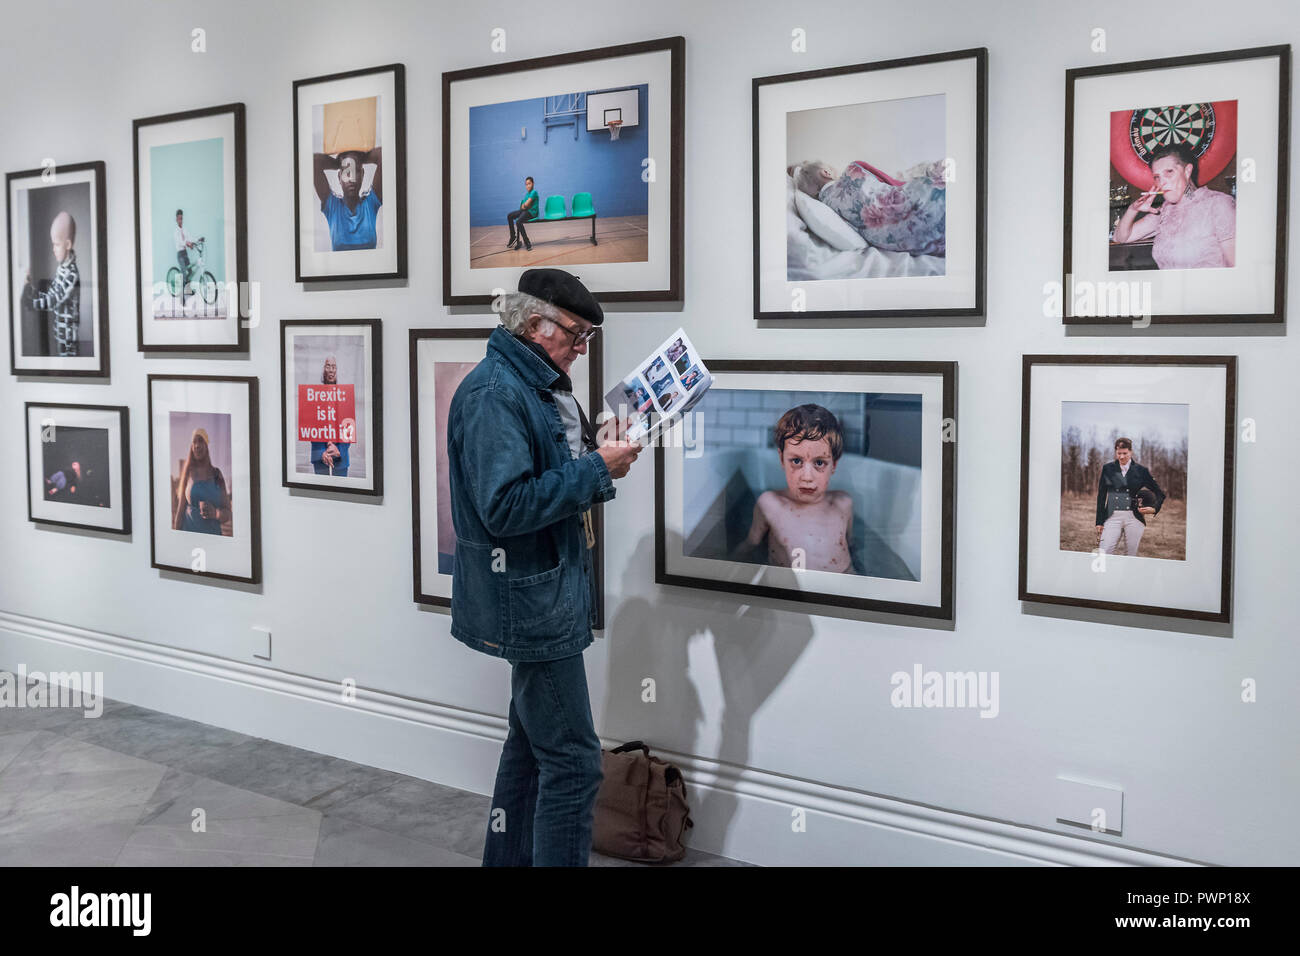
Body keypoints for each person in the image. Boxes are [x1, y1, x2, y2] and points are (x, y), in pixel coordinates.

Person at [447, 267, 642, 867]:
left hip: (547, 590)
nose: (582, 349)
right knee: (577, 765)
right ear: (535, 324)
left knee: (530, 749)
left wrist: (594, 447)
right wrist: (598, 470)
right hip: (530, 601)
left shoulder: (538, 383)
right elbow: (505, 507)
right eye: (576, 335)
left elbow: (545, 465)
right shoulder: (494, 395)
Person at [733, 404, 856, 573]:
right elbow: (751, 544)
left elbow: (851, 547)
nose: (807, 477)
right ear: (782, 459)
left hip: (841, 589)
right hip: (790, 591)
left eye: (819, 463)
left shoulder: (844, 504)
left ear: (833, 465)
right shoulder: (769, 505)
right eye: (796, 461)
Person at [1111, 142, 1236, 269]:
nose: (1162, 182)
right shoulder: (1165, 210)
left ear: (1187, 171)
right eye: (1157, 177)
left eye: (1169, 172)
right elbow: (1120, 237)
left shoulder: (1218, 204)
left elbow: (1235, 267)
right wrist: (1133, 209)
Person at [790, 157, 947, 256]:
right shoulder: (853, 169)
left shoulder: (827, 207)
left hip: (909, 241)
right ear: (826, 172)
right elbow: (893, 183)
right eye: (831, 167)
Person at [22, 210, 80, 356]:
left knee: (69, 366)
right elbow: (52, 292)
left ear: (67, 244)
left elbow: (53, 300)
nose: (53, 249)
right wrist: (32, 290)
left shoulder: (71, 274)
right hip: (60, 332)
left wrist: (31, 303)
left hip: (68, 337)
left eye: (56, 244)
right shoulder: (62, 267)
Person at [1095, 437, 1166, 556]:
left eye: (1125, 453)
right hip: (1111, 516)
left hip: (1134, 518)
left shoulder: (1141, 471)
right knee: (1104, 552)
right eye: (1119, 453)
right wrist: (1099, 521)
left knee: (1130, 555)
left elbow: (1160, 493)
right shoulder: (1108, 469)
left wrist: (1154, 508)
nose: (1121, 457)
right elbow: (1101, 496)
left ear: (1131, 452)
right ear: (1116, 452)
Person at [314, 148, 383, 250]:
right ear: (339, 177)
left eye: (356, 171)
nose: (351, 178)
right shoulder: (333, 207)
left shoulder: (370, 203)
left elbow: (382, 154)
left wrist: (358, 159)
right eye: (347, 171)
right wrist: (339, 162)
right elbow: (314, 162)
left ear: (363, 174)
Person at [172, 428, 231, 536]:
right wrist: (176, 538)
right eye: (194, 442)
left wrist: (216, 514)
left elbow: (227, 513)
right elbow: (180, 512)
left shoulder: (217, 474)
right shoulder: (187, 474)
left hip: (213, 538)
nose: (197, 445)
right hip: (189, 536)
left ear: (207, 446)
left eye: (200, 441)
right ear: (191, 447)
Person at [310, 354, 350, 477]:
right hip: (320, 459)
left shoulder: (344, 397)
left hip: (341, 459)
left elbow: (349, 428)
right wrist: (322, 452)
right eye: (328, 366)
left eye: (334, 366)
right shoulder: (313, 396)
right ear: (323, 369)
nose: (331, 369)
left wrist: (339, 451)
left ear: (336, 370)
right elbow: (311, 429)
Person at [507, 176, 539, 252]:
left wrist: (525, 205)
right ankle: (513, 237)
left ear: (533, 184)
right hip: (525, 211)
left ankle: (527, 242)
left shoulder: (534, 192)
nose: (528, 186)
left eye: (529, 184)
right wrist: (525, 205)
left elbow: (526, 205)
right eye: (526, 184)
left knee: (518, 222)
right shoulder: (527, 194)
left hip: (531, 213)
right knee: (510, 216)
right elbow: (522, 207)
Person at [174, 209, 197, 279]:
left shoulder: (184, 229)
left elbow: (189, 238)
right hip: (180, 254)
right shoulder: (176, 231)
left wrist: (197, 240)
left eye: (181, 219)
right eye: (179, 219)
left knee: (190, 271)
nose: (180, 221)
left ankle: (187, 285)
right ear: (176, 220)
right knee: (184, 273)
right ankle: (183, 288)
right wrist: (187, 243)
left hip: (185, 253)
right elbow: (180, 242)